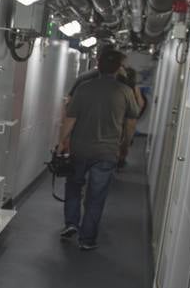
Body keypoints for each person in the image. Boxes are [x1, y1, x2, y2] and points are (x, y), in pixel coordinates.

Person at [55, 48, 139, 251]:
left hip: (80, 150)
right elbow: (130, 123)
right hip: (107, 153)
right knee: (96, 195)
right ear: (119, 68)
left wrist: (61, 142)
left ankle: (71, 223)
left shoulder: (83, 88)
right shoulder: (125, 92)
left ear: (98, 64)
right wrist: (125, 145)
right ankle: (87, 239)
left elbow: (70, 119)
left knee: (74, 186)